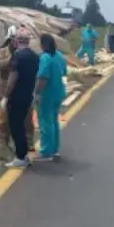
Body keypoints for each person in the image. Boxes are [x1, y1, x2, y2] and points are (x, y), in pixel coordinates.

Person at [0, 27, 40, 168]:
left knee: (15, 126)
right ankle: (24, 155)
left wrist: (5, 96)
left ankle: (20, 156)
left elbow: (13, 78)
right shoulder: (34, 56)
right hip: (28, 95)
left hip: (16, 96)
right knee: (22, 125)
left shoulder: (17, 56)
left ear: (17, 41)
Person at [0, 32, 34, 150]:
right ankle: (3, 141)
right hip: (4, 89)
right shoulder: (3, 52)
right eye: (14, 40)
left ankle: (29, 141)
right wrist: (12, 59)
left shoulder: (26, 53)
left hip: (21, 90)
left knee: (27, 118)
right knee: (4, 119)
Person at [33, 33, 67, 161]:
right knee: (53, 121)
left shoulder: (45, 58)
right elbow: (63, 72)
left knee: (45, 123)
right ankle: (54, 149)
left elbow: (42, 78)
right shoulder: (59, 56)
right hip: (58, 92)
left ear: (43, 45)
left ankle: (46, 152)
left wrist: (36, 93)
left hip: (47, 94)